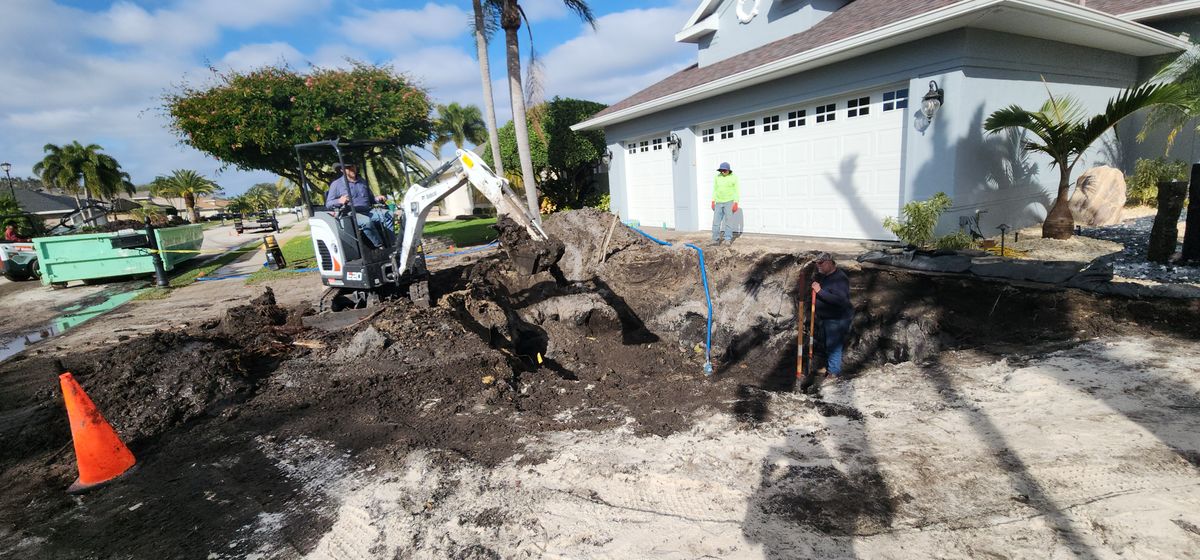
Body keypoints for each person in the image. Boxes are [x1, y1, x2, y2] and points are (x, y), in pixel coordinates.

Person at [324, 163, 393, 247]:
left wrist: (378, 198)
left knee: (389, 215)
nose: (352, 169)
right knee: (366, 222)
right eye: (348, 168)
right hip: (351, 214)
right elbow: (328, 204)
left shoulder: (362, 182)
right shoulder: (336, 184)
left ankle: (392, 244)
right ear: (342, 170)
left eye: (353, 166)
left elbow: (371, 199)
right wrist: (339, 200)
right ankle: (380, 246)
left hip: (368, 211)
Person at [811, 252, 853, 381]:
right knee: (828, 344)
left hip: (837, 319)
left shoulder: (840, 279)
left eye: (821, 263)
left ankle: (833, 373)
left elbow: (840, 301)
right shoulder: (827, 276)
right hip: (828, 318)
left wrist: (819, 292)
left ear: (829, 262)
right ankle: (830, 367)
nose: (818, 266)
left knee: (833, 345)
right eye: (817, 263)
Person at [710, 162, 740, 245]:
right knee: (716, 222)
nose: (722, 172)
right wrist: (713, 201)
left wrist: (736, 202)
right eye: (721, 170)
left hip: (729, 202)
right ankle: (715, 239)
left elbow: (736, 190)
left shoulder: (733, 177)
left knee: (728, 221)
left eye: (724, 170)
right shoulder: (717, 177)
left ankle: (727, 239)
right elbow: (715, 189)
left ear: (728, 170)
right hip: (718, 202)